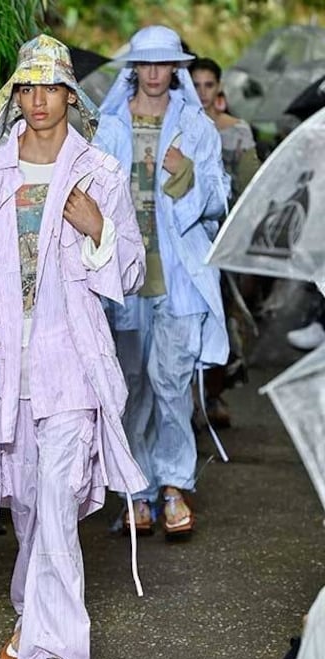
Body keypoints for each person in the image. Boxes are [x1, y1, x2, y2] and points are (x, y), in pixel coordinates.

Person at [0, 35, 147, 659]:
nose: (39, 99)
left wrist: (99, 229)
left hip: (70, 364)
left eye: (50, 87)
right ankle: (31, 616)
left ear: (70, 95)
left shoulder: (100, 172)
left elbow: (128, 276)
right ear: (15, 96)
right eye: (27, 87)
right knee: (30, 509)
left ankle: (57, 657)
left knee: (56, 505)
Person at [93, 25, 229, 539]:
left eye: (163, 63)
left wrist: (186, 173)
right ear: (134, 68)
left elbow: (218, 200)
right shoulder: (107, 126)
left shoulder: (196, 125)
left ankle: (173, 485)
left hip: (178, 275)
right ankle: (137, 490)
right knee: (129, 386)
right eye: (145, 63)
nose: (153, 72)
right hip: (123, 276)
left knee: (170, 383)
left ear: (175, 68)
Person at [189, 57, 262, 427]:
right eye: (195, 84)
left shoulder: (236, 132)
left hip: (228, 241)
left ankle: (212, 394)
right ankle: (193, 399)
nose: (202, 92)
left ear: (219, 90)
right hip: (189, 241)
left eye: (208, 85)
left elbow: (252, 187)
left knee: (224, 320)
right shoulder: (178, 129)